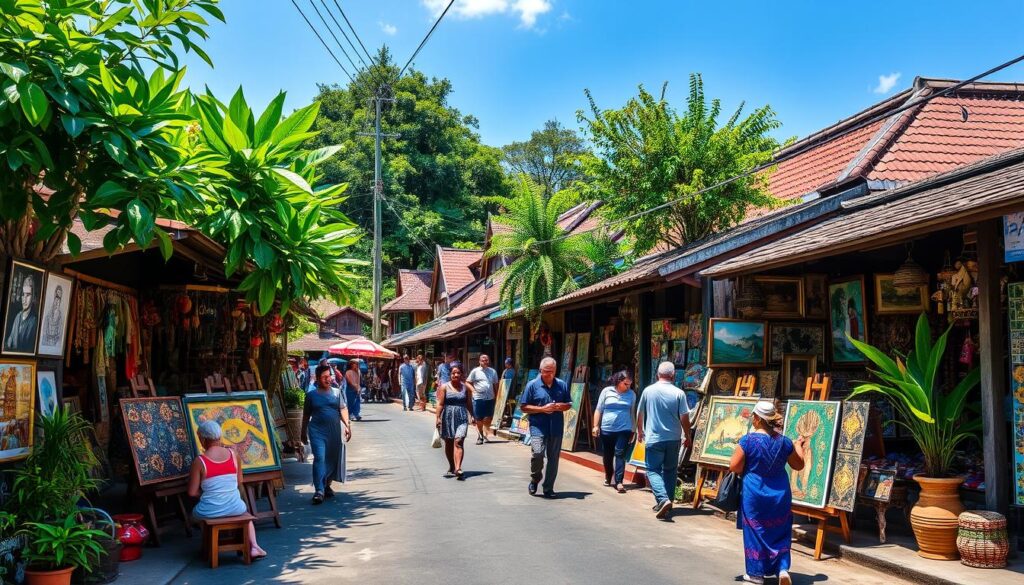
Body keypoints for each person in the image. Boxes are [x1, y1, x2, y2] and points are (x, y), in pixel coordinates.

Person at [729, 400, 807, 585]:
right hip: (780, 493)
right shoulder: (785, 442)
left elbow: (734, 466)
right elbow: (799, 464)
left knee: (756, 531)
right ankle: (782, 569)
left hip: (754, 492)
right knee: (780, 530)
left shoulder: (747, 441)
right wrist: (798, 447)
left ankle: (756, 574)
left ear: (756, 418)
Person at [188, 420, 268, 560]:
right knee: (245, 514)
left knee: (193, 516)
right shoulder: (233, 455)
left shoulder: (199, 461)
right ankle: (254, 546)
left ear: (202, 438)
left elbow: (192, 492)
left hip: (210, 511)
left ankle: (209, 545)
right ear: (219, 437)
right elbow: (239, 481)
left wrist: (209, 493)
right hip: (234, 507)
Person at [636, 361, 692, 519]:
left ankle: (663, 499)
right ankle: (668, 502)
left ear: (657, 374)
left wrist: (640, 431)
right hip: (673, 438)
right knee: (670, 471)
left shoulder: (648, 391)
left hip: (654, 438)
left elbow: (639, 413)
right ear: (673, 375)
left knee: (653, 470)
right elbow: (684, 417)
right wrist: (687, 435)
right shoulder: (679, 393)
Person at [519, 357, 571, 498]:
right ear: (541, 370)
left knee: (553, 459)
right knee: (537, 454)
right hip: (537, 427)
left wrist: (561, 406)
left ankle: (548, 488)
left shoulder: (562, 385)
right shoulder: (532, 385)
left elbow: (569, 404)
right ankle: (535, 478)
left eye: (552, 371)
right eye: (547, 371)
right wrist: (542, 409)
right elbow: (523, 407)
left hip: (556, 427)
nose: (550, 375)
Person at [301, 364, 353, 505]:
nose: (328, 379)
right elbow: (306, 415)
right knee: (320, 458)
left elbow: (343, 409)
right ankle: (319, 490)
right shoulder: (311, 395)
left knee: (332, 457)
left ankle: (327, 485)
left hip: (334, 431)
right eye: (324, 377)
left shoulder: (337, 393)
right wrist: (302, 432)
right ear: (317, 379)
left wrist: (347, 425)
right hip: (317, 431)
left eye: (329, 376)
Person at [591, 370, 636, 493]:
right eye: (625, 384)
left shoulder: (631, 394)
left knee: (620, 453)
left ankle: (619, 481)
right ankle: (608, 475)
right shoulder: (606, 392)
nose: (628, 387)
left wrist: (633, 429)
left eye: (630, 384)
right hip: (607, 429)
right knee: (608, 454)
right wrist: (595, 426)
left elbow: (632, 413)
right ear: (618, 381)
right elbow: (599, 409)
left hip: (624, 429)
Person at [436, 361, 474, 480]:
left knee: (458, 441)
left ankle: (458, 468)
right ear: (450, 375)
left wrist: (473, 415)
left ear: (462, 374)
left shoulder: (466, 388)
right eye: (453, 373)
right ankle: (452, 466)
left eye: (458, 373)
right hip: (448, 416)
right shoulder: (444, 387)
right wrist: (437, 417)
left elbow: (468, 403)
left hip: (462, 417)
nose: (456, 375)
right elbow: (440, 404)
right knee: (449, 442)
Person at [468, 354, 499, 444]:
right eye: (483, 360)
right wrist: (473, 390)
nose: (485, 362)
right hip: (478, 398)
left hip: (490, 397)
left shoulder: (493, 371)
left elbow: (496, 384)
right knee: (479, 418)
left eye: (486, 360)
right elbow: (468, 382)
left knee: (488, 417)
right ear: (479, 361)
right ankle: (480, 436)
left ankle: (485, 434)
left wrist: (497, 396)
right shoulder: (475, 371)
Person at [5, 274, 38, 352]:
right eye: (23, 294)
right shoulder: (18, 316)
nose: (24, 299)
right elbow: (10, 341)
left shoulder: (34, 321)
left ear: (33, 297)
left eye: (28, 295)